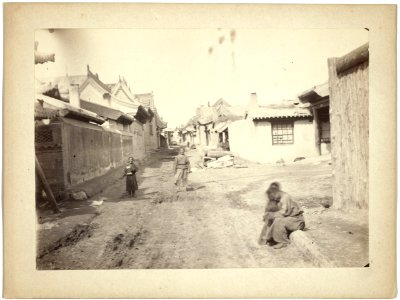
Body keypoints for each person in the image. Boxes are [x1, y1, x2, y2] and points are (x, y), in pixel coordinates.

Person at [258, 182, 305, 249]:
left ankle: (283, 242)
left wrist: (273, 214)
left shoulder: (285, 197)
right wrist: (267, 214)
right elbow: (269, 209)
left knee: (278, 220)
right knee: (269, 218)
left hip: (297, 221)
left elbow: (284, 212)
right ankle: (268, 238)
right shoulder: (274, 198)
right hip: (288, 219)